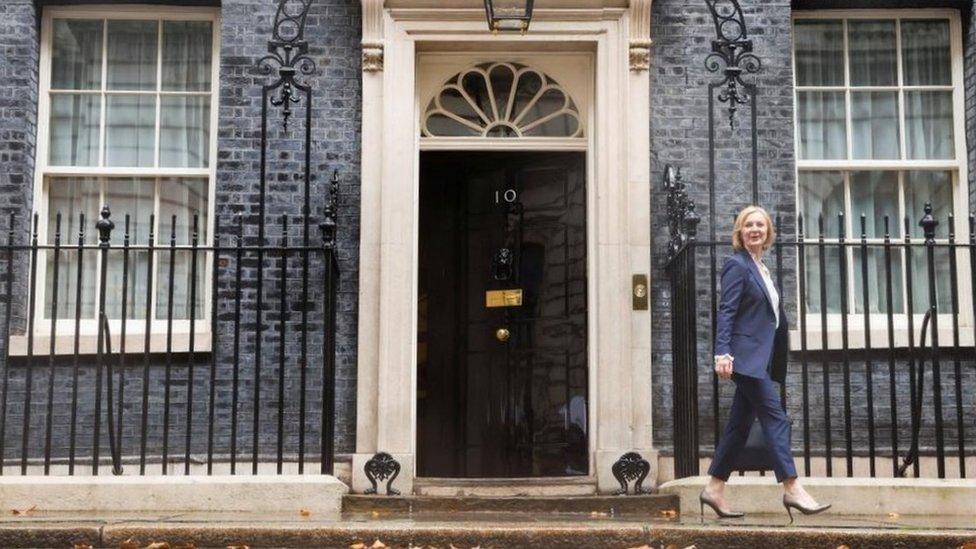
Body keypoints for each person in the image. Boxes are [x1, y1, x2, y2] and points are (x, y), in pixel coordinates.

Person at [699, 205, 830, 522]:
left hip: (760, 358)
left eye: (759, 224)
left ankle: (714, 489)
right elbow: (726, 311)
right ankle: (792, 487)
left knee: (739, 426)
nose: (754, 229)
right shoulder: (737, 265)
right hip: (744, 358)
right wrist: (722, 353)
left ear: (768, 231)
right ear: (740, 232)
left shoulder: (761, 268)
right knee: (775, 418)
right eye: (748, 225)